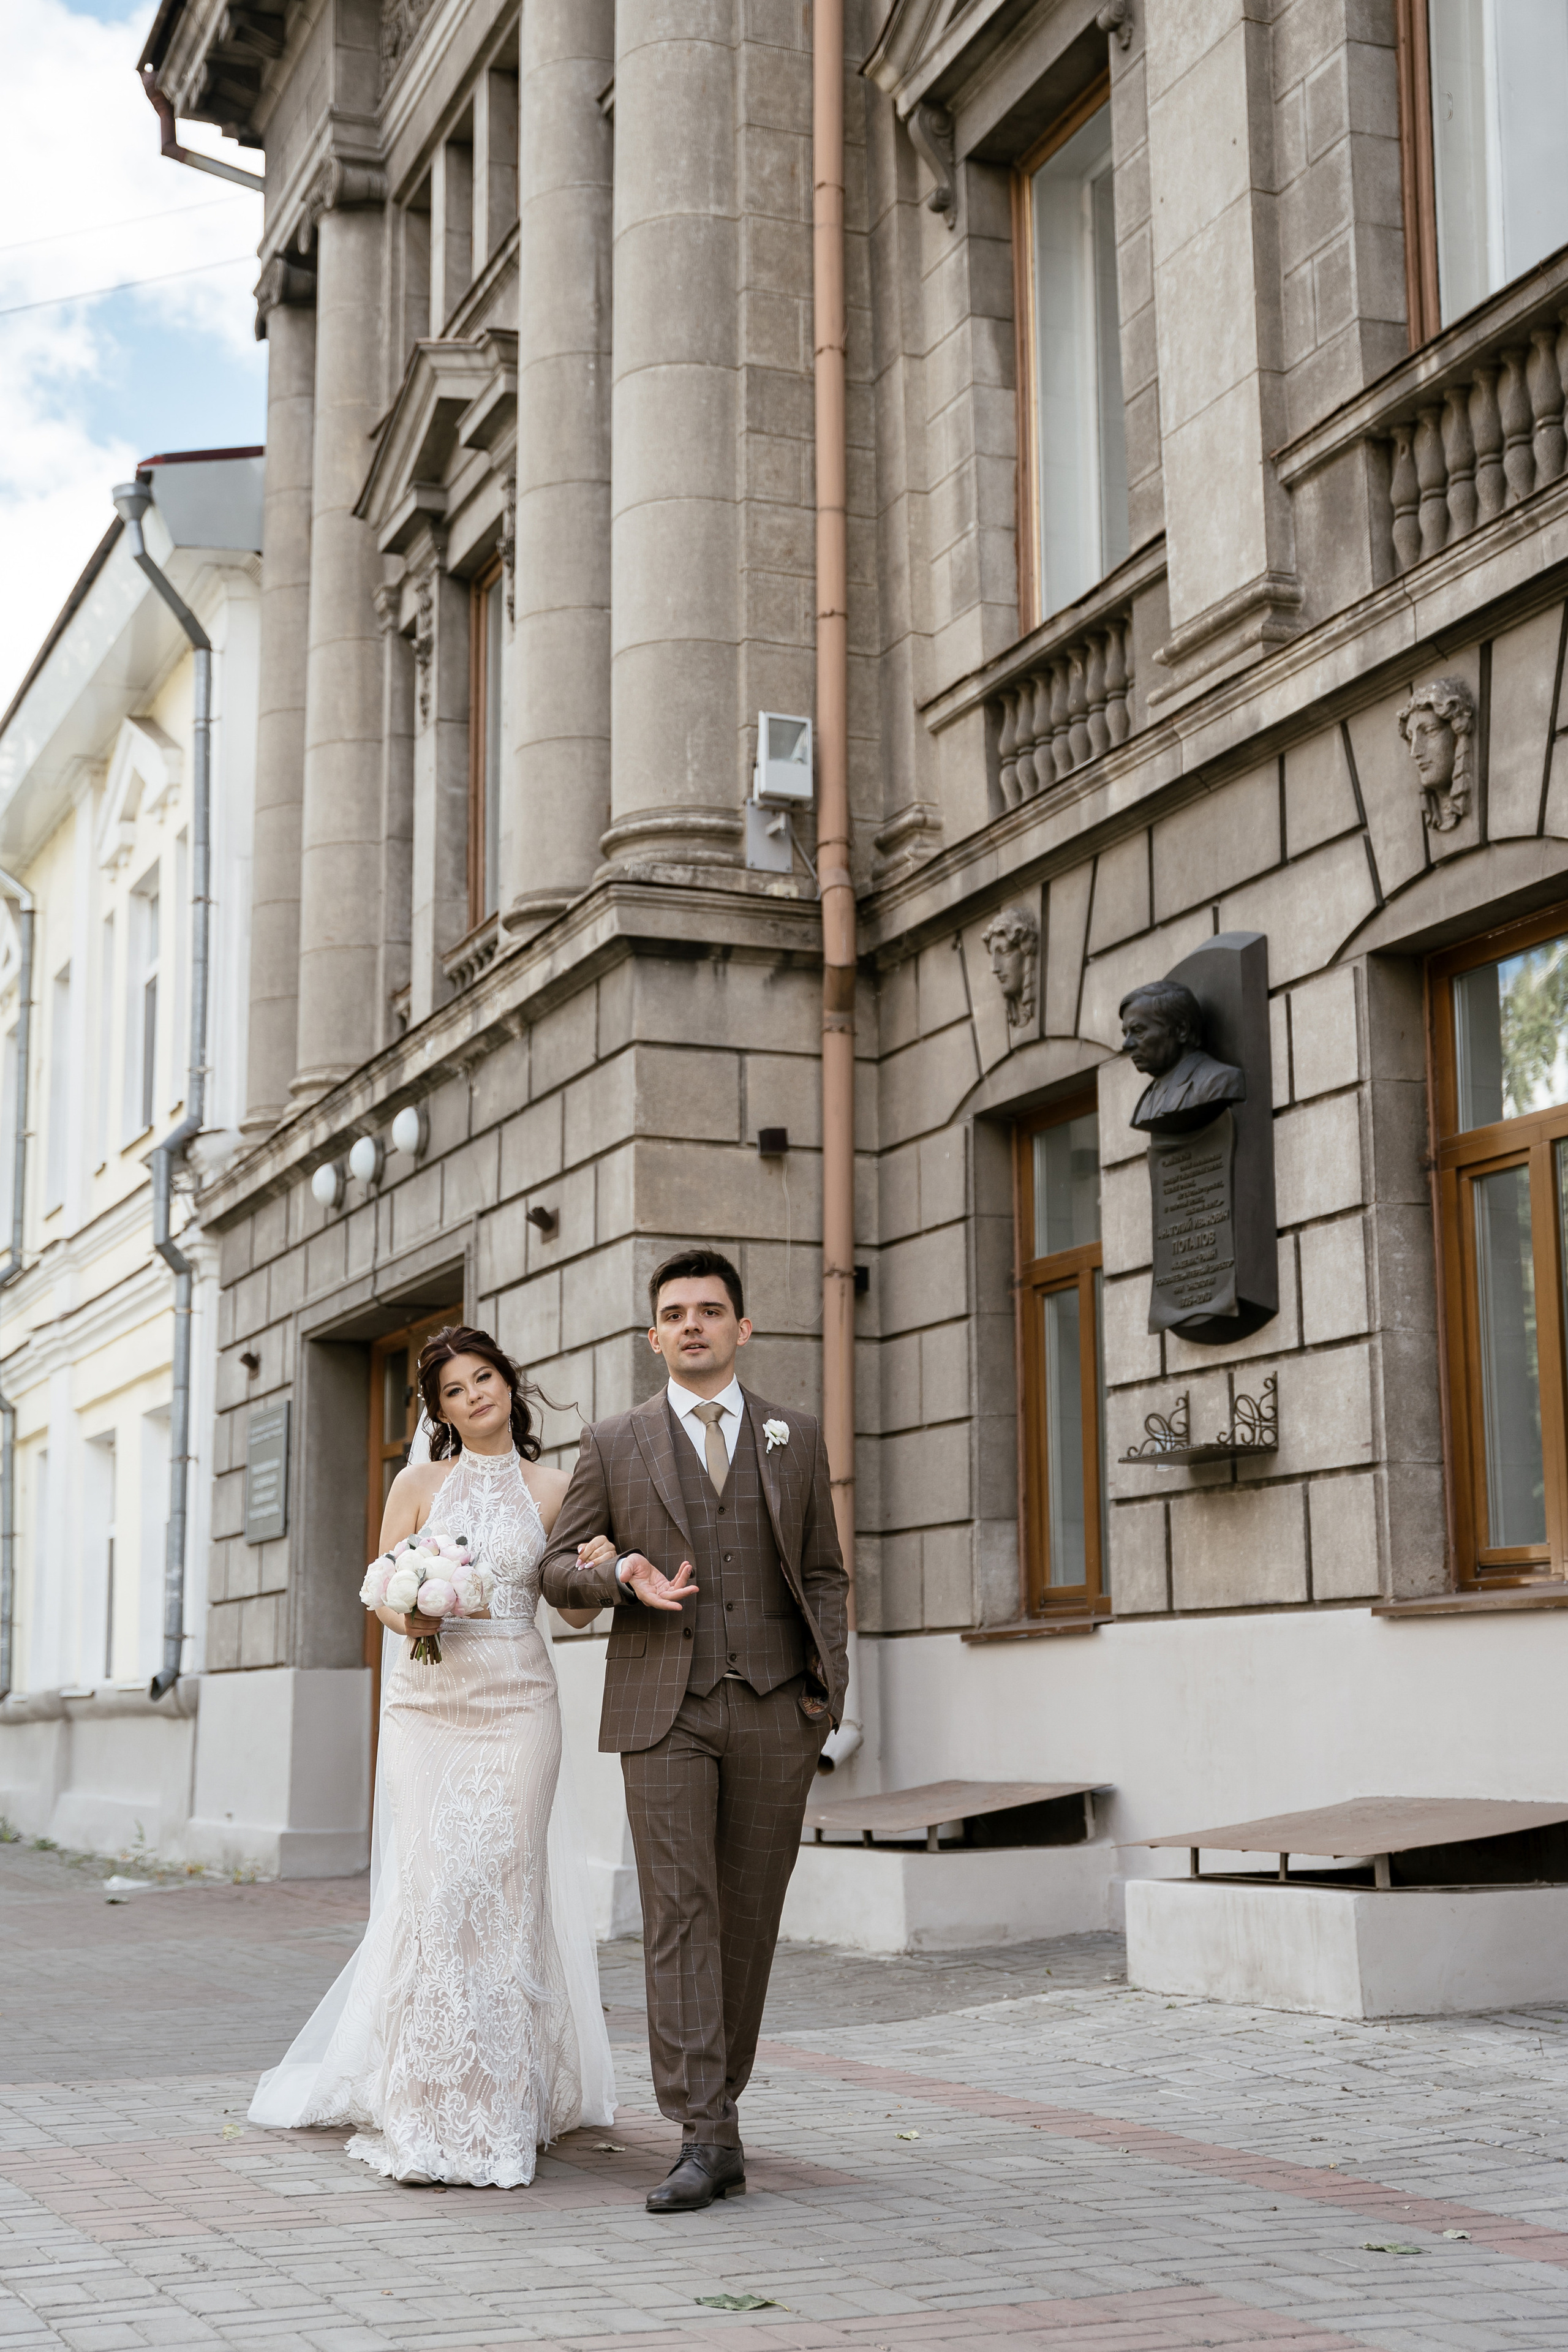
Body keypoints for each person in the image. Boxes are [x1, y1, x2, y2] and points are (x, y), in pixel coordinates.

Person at [248, 1325, 616, 2185]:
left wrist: (597, 1567)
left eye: (484, 1378)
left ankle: (503, 2097)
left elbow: (574, 1616)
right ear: (439, 1409)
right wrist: (408, 1612)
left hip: (519, 1701)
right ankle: (426, 2095)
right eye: (454, 1390)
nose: (474, 1397)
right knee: (439, 1889)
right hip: (428, 1706)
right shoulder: (416, 1483)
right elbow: (381, 1589)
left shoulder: (558, 1490)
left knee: (503, 1882)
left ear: (509, 1383)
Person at [540, 1247, 850, 2214]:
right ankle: (703, 2132)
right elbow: (554, 1571)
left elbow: (826, 1575)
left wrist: (821, 1694)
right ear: (653, 1335)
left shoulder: (796, 1437)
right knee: (682, 1914)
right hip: (663, 1708)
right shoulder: (615, 1442)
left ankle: (721, 2108)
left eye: (710, 1311)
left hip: (772, 1709)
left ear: (742, 1329)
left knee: (749, 1916)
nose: (692, 1325)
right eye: (674, 1313)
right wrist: (618, 1571)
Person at [1119, 978, 1245, 1134]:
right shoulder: (1146, 1101)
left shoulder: (1218, 1081)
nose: (1126, 1045)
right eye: (1126, 1034)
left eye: (1138, 1031)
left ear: (1181, 1030)